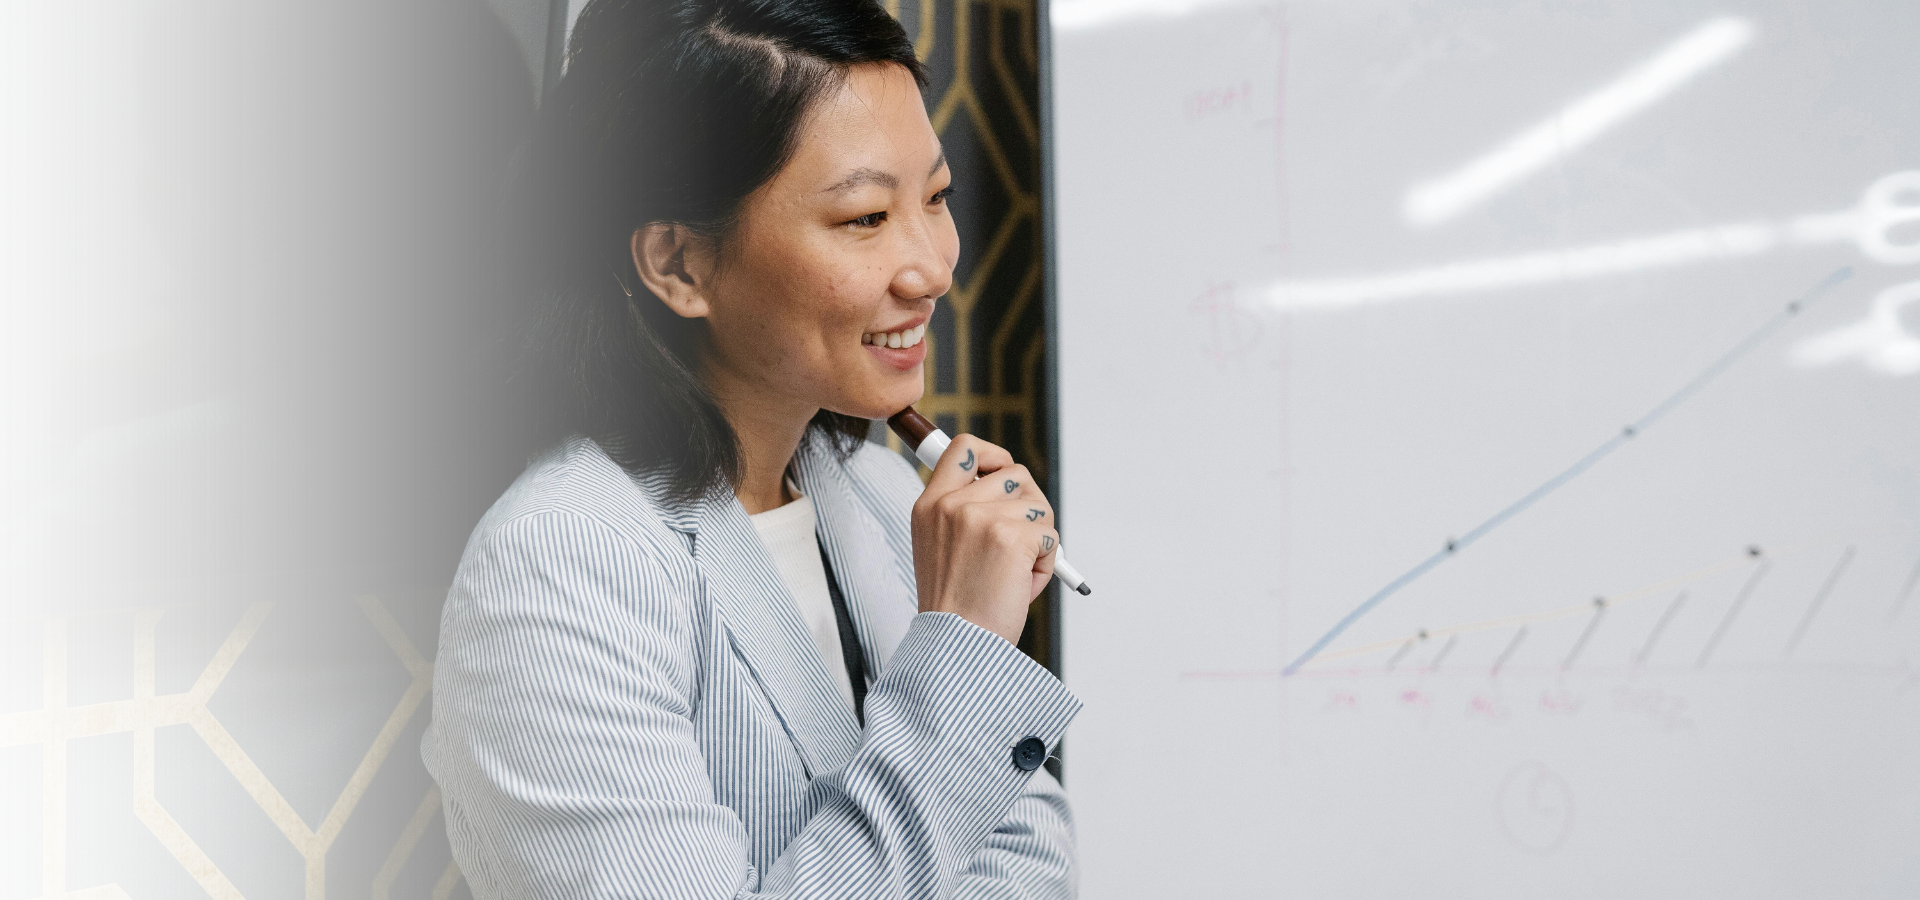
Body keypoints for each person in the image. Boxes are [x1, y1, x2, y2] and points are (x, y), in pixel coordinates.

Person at [419, 1, 1081, 897]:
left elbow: (1033, 859)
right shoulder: (561, 564)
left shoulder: (883, 493)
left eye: (935, 197)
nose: (932, 268)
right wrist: (963, 654)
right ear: (678, 264)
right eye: (865, 217)